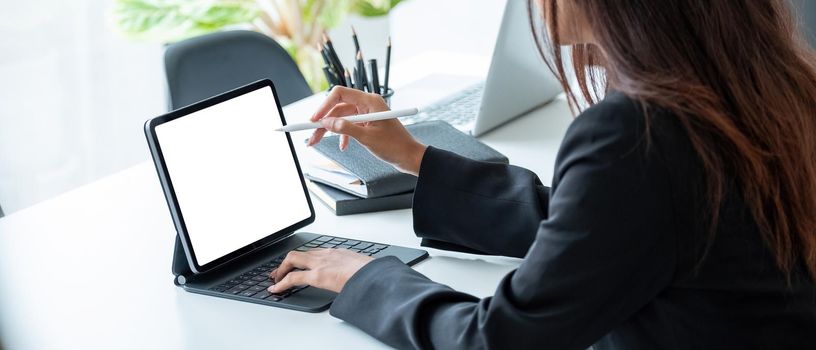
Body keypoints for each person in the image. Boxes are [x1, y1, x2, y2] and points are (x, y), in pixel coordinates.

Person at [268, 0, 816, 348]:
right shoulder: (774, 84)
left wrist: (363, 277)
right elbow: (610, 227)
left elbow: (500, 340)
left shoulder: (639, 132)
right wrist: (415, 157)